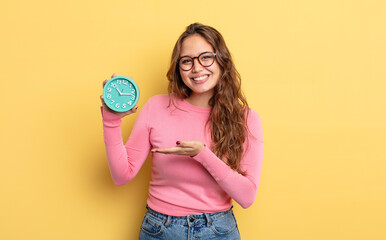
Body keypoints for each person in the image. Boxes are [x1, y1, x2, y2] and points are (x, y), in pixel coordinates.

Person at [100, 23, 263, 240]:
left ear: (222, 60)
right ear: (178, 68)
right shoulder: (156, 107)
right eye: (187, 61)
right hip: (159, 230)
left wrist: (202, 154)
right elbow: (122, 176)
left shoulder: (246, 118)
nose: (197, 68)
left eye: (206, 57)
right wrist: (111, 121)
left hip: (218, 230)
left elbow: (247, 196)